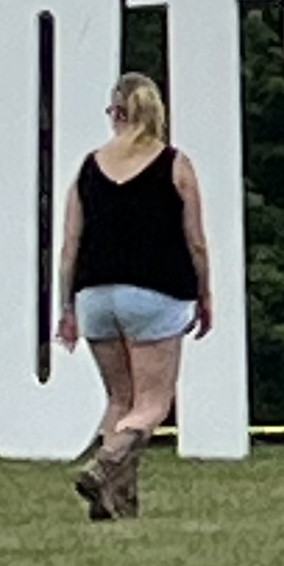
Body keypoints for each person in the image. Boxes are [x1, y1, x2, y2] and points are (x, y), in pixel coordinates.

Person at [55, 73, 211, 521]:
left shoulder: (88, 168)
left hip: (94, 295)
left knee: (119, 401)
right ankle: (105, 465)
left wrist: (67, 307)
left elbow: (69, 247)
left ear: (118, 113)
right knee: (152, 404)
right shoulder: (175, 164)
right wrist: (204, 293)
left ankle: (117, 501)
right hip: (155, 291)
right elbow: (195, 241)